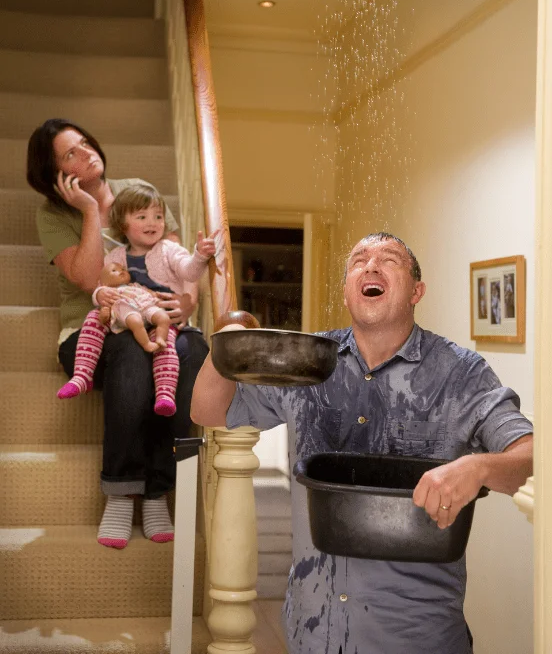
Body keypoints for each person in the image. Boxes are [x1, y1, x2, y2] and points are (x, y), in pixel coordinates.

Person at [190, 231, 533, 654]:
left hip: (415, 636)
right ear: (347, 292)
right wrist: (224, 343)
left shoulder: (461, 375)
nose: (370, 265)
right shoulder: (308, 360)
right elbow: (208, 412)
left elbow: (532, 456)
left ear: (416, 291)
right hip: (311, 632)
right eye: (358, 261)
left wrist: (478, 467)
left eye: (388, 259)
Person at [28, 118, 210, 550]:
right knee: (130, 351)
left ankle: (156, 492)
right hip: (92, 330)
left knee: (194, 349)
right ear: (54, 172)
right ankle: (122, 489)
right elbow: (90, 278)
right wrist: (91, 210)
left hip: (156, 318)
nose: (87, 152)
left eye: (86, 142)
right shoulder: (53, 214)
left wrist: (187, 302)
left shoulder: (137, 190)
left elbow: (179, 260)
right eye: (71, 152)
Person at [56, 184, 216, 418]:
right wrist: (99, 295)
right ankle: (82, 375)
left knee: (164, 344)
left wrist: (199, 255)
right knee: (93, 319)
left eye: (158, 216)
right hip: (126, 313)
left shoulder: (169, 249)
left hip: (157, 315)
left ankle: (164, 394)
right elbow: (103, 286)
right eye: (142, 217)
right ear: (123, 225)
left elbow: (189, 272)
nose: (153, 222)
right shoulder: (115, 256)